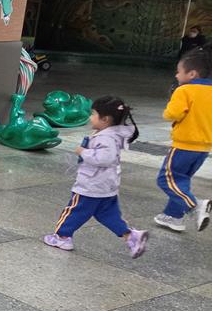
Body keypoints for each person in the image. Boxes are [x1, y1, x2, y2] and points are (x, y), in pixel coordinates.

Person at [43, 96, 148, 258]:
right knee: (107, 214)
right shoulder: (110, 134)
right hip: (106, 185)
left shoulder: (106, 138)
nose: (90, 117)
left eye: (93, 114)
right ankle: (130, 236)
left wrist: (83, 152)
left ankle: (62, 237)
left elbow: (105, 158)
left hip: (91, 185)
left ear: (105, 119)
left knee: (75, 210)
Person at [155, 47, 212, 232]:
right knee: (181, 180)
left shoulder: (185, 90)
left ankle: (195, 206)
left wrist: (168, 109)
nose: (176, 75)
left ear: (192, 74)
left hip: (184, 145)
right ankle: (173, 216)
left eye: (179, 71)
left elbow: (172, 114)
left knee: (165, 179)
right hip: (204, 148)